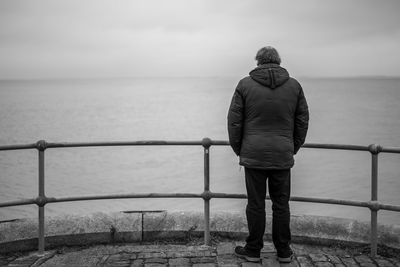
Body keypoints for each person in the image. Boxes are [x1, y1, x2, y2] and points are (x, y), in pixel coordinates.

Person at [227, 46, 309, 263]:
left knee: (255, 204)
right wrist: (292, 147)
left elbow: (234, 122)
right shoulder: (294, 86)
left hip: (253, 155)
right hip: (282, 155)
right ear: (279, 61)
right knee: (281, 205)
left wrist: (240, 150)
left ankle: (253, 250)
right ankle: (283, 251)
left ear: (258, 61)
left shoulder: (244, 85)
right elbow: (302, 121)